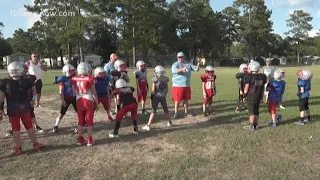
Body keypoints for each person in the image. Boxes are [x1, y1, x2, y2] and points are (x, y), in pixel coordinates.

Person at [0, 61, 44, 155]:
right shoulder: (27, 80)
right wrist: (33, 99)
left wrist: (1, 109)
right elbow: (34, 89)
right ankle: (36, 144)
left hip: (12, 109)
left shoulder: (5, 82)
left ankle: (19, 148)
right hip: (25, 108)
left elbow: (1, 97)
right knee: (29, 127)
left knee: (16, 130)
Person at [71, 62, 99, 146]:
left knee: (81, 120)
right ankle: (89, 139)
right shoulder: (90, 78)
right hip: (88, 100)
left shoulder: (74, 78)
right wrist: (97, 102)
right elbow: (94, 92)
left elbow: (73, 92)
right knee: (89, 120)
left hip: (79, 100)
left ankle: (80, 138)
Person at [142, 65, 172, 131]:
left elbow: (153, 90)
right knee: (166, 110)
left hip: (156, 96)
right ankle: (170, 122)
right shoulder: (165, 79)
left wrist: (151, 99)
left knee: (153, 111)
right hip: (163, 96)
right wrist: (164, 94)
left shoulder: (155, 79)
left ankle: (148, 125)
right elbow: (167, 89)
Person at [171, 52, 200, 119]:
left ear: (183, 57)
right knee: (177, 100)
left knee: (186, 99)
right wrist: (182, 69)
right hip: (177, 85)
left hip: (186, 85)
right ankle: (176, 112)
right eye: (179, 57)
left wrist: (197, 67)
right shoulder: (175, 64)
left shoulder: (188, 63)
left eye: (181, 57)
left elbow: (195, 69)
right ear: (177, 57)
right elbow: (175, 71)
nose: (180, 58)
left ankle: (186, 112)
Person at [243, 61, 267, 130]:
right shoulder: (262, 76)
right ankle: (256, 124)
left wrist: (244, 96)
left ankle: (251, 125)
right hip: (259, 95)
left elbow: (246, 87)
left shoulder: (249, 76)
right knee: (256, 110)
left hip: (251, 95)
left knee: (251, 111)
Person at [53, 64, 78, 133]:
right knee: (62, 112)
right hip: (66, 98)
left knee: (79, 112)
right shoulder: (63, 79)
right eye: (71, 71)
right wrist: (62, 100)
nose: (73, 72)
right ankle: (56, 125)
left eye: (73, 71)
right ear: (66, 71)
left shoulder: (75, 77)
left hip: (75, 97)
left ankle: (79, 125)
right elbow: (61, 90)